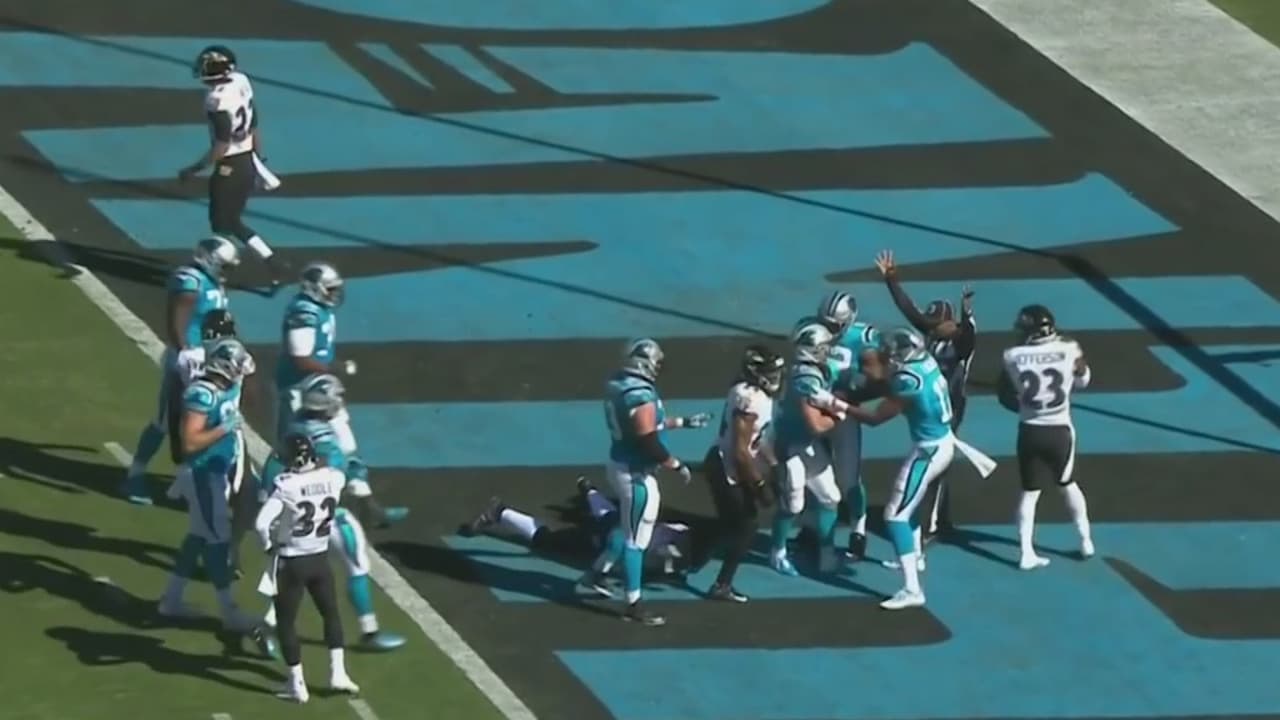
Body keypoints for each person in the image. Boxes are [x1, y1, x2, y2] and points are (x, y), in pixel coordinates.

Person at [579, 338, 709, 626]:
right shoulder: (640, 395)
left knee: (627, 527)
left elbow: (645, 425)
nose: (658, 367)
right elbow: (647, 439)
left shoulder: (619, 384)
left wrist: (683, 422)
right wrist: (675, 464)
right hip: (636, 474)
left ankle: (596, 574)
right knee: (636, 541)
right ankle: (633, 604)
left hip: (619, 463)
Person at [843, 327, 956, 610]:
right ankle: (914, 555)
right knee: (908, 504)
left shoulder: (908, 380)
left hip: (929, 450)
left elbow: (875, 418)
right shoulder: (925, 362)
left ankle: (912, 589)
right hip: (939, 442)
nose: (885, 358)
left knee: (894, 516)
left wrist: (839, 404)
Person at [123, 236, 237, 504]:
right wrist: (184, 350)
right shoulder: (190, 280)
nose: (227, 271)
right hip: (187, 358)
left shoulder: (212, 282)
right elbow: (177, 318)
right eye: (224, 265)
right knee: (165, 420)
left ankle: (192, 478)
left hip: (211, 359)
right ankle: (135, 474)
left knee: (208, 419)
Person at [157, 337, 258, 630]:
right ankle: (229, 611)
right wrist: (223, 429)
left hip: (219, 471)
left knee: (198, 537)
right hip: (203, 475)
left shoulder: (227, 386)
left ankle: (171, 600)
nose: (241, 373)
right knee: (217, 543)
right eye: (237, 368)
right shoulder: (202, 394)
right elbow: (190, 443)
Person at [874, 249, 976, 542]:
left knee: (936, 468)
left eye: (936, 323)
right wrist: (892, 279)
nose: (930, 326)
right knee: (934, 466)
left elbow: (968, 339)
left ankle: (931, 526)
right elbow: (910, 311)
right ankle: (938, 518)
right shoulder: (933, 333)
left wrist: (967, 314)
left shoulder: (959, 344)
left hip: (950, 409)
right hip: (928, 407)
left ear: (951, 323)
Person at [255, 433, 359, 703]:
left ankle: (297, 685)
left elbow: (261, 523)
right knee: (331, 614)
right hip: (320, 559)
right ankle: (338, 673)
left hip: (292, 561)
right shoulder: (333, 478)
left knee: (286, 622)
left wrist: (268, 545)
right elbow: (340, 475)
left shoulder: (286, 485)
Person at [997, 304, 1095, 569]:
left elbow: (1005, 394)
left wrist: (1024, 407)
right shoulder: (1069, 349)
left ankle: (1026, 552)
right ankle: (1085, 540)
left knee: (1029, 493)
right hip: (1060, 430)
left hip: (1030, 430)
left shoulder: (1012, 356)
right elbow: (1083, 381)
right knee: (1067, 484)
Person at [180, 45, 286, 289]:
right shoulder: (241, 80)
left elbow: (222, 143)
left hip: (230, 166)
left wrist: (193, 169)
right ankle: (272, 262)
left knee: (221, 223)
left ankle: (220, 270)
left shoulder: (216, 100)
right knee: (232, 221)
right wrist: (257, 158)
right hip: (246, 160)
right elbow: (254, 122)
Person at [702, 345, 783, 602]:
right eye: (769, 372)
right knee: (746, 525)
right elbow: (740, 452)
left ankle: (689, 559)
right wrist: (759, 485)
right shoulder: (751, 400)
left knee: (731, 525)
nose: (775, 377)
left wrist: (774, 464)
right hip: (726, 466)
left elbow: (757, 440)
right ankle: (721, 585)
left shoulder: (750, 392)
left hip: (726, 461)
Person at [770, 322, 848, 577]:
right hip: (789, 444)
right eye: (822, 348)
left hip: (806, 444)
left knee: (830, 497)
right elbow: (816, 424)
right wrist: (839, 414)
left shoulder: (816, 370)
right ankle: (777, 552)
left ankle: (826, 553)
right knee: (793, 503)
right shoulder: (805, 378)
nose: (827, 351)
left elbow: (843, 371)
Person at [814, 291, 882, 560]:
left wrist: (853, 393)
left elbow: (880, 379)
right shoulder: (812, 331)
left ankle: (858, 529)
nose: (829, 329)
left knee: (848, 478)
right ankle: (812, 529)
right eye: (826, 323)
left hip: (844, 416)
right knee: (813, 477)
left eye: (835, 324)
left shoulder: (863, 338)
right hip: (815, 412)